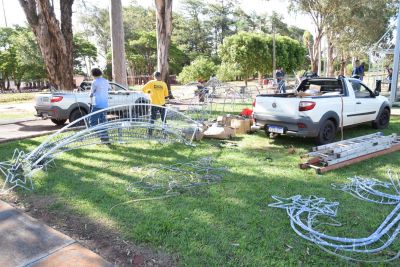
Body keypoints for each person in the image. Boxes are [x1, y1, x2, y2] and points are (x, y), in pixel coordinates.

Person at [89, 68, 110, 143]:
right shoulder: (106, 81)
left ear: (93, 74)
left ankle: (100, 135)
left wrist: (91, 95)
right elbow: (109, 89)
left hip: (97, 104)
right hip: (105, 104)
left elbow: (91, 93)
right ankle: (105, 139)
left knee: (92, 122)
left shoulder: (94, 82)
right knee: (103, 122)